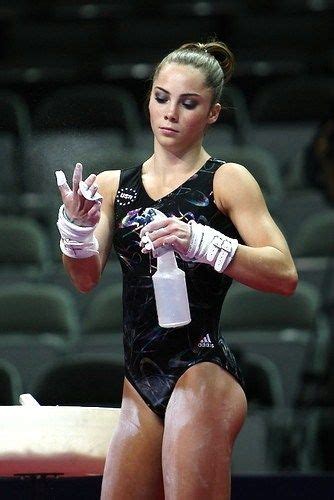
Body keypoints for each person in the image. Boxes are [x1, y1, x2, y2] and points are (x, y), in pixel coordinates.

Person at [55, 39, 298, 500]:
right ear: (149, 97)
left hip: (201, 368)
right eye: (161, 97)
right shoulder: (112, 187)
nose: (170, 113)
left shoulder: (228, 180)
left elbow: (284, 274)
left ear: (212, 114)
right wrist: (77, 231)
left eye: (189, 104)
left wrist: (204, 241)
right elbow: (84, 280)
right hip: (139, 381)